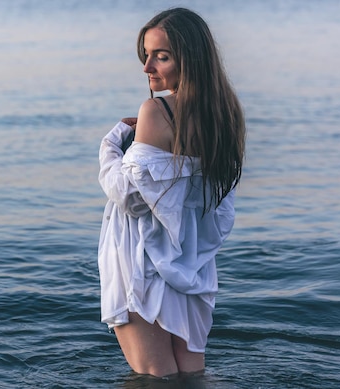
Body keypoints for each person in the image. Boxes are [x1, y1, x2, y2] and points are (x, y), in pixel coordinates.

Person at [98, 8, 245, 378]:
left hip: (144, 260)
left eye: (161, 57)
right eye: (145, 55)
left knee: (154, 377)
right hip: (190, 262)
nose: (147, 67)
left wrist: (111, 144)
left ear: (191, 59)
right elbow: (213, 205)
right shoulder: (225, 115)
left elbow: (130, 198)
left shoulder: (156, 111)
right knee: (191, 374)